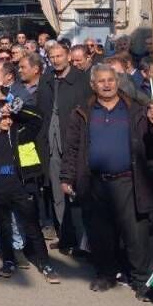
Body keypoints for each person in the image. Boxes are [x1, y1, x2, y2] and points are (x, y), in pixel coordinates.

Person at [61, 65, 153, 300]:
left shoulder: (136, 110)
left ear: (118, 82)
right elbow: (72, 148)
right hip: (96, 182)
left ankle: (140, 280)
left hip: (129, 181)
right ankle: (106, 274)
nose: (107, 85)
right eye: (101, 81)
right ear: (93, 85)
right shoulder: (82, 112)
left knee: (136, 234)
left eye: (111, 80)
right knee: (101, 233)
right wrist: (67, 177)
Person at [0, 99, 60, 283]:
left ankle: (45, 264)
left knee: (32, 227)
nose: (8, 121)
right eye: (3, 118)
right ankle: (8, 261)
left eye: (10, 118)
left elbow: (37, 118)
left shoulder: (20, 132)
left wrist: (16, 108)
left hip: (20, 188)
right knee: (3, 229)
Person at [36, 41, 91, 255]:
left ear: (68, 56)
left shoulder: (81, 80)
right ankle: (66, 236)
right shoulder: (46, 80)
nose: (56, 60)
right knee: (58, 194)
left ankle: (85, 242)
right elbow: (41, 111)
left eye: (60, 56)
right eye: (52, 57)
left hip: (75, 144)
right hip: (51, 144)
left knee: (79, 194)